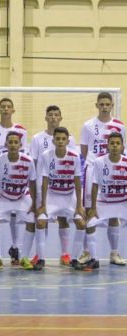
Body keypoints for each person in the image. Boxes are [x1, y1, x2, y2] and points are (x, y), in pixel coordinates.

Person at [80, 91, 126, 264]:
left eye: (108, 104)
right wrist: (96, 162)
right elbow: (84, 151)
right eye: (102, 104)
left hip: (113, 170)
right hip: (93, 169)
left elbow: (122, 149)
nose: (105, 107)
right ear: (97, 105)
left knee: (114, 211)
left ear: (112, 105)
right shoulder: (88, 125)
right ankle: (86, 252)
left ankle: (114, 253)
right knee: (89, 210)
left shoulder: (120, 126)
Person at [30, 105, 77, 265]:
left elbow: (73, 165)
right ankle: (39, 254)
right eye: (50, 115)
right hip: (43, 186)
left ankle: (65, 254)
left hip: (64, 187)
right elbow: (34, 163)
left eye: (56, 115)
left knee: (63, 219)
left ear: (60, 118)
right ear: (46, 118)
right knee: (43, 219)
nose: (53, 118)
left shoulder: (71, 139)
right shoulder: (37, 138)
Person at [0, 98, 27, 264]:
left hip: (15, 178)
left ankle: (15, 248)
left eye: (9, 107)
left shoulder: (21, 131)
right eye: (3, 107)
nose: (6, 109)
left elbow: (22, 155)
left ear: (13, 110)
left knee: (16, 215)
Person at [36, 127, 85, 271]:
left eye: (63, 139)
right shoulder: (46, 155)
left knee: (81, 223)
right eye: (58, 139)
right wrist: (43, 205)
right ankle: (41, 259)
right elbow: (45, 180)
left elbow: (77, 180)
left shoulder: (74, 156)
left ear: (68, 141)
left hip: (69, 196)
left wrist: (79, 205)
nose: (60, 141)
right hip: (52, 196)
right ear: (53, 140)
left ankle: (74, 259)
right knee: (40, 222)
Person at [0, 131, 36, 270]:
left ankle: (25, 257)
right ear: (5, 144)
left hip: (21, 196)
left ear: (21, 145)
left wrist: (34, 203)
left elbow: (32, 183)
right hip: (3, 196)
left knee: (31, 221)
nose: (13, 145)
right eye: (10, 142)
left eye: (16, 142)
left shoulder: (28, 161)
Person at [83, 132, 127, 270]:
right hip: (105, 201)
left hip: (123, 201)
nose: (114, 146)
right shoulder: (99, 162)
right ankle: (94, 258)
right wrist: (93, 207)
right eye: (112, 143)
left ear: (122, 146)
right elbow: (95, 184)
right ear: (107, 146)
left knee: (114, 220)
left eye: (117, 143)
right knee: (89, 223)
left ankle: (114, 254)